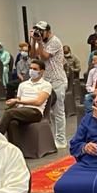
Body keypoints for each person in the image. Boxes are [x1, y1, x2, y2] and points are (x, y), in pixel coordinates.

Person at [29, 20, 67, 148]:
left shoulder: (55, 41)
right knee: (49, 113)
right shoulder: (41, 42)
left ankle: (61, 140)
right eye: (37, 30)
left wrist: (39, 42)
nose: (39, 33)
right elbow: (33, 56)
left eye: (41, 31)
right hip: (46, 81)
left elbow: (44, 56)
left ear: (48, 31)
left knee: (58, 112)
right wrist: (33, 40)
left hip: (57, 80)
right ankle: (53, 138)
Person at [0, 59, 52, 139]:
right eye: (30, 68)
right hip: (21, 110)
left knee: (9, 113)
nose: (32, 71)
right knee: (12, 122)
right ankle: (14, 144)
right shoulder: (23, 85)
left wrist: (18, 101)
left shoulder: (46, 85)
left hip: (35, 112)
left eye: (35, 69)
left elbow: (38, 102)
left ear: (42, 71)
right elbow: (18, 101)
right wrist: (12, 103)